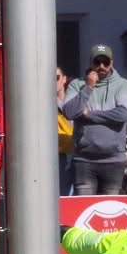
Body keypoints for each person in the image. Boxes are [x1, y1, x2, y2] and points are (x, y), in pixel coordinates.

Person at [62, 44, 127, 195]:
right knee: (84, 206)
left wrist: (89, 114)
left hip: (114, 160)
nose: (101, 66)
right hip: (84, 160)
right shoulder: (77, 85)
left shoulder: (122, 85)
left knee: (110, 205)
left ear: (111, 63)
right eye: (97, 62)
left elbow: (123, 114)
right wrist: (88, 87)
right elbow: (69, 112)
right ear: (91, 63)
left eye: (105, 62)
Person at [56, 65, 74, 196]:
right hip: (58, 154)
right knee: (62, 192)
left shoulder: (73, 100)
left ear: (64, 79)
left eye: (56, 78)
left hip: (76, 152)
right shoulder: (43, 103)